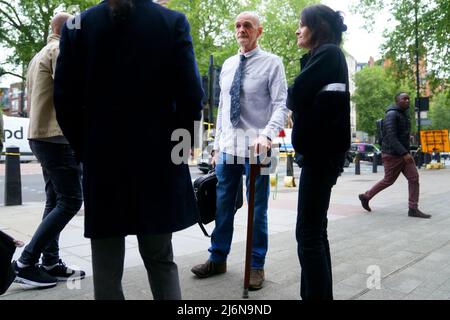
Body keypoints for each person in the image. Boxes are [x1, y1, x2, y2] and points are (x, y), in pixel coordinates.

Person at [54, 0, 204, 300]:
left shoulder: (77, 26)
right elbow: (191, 98)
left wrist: (87, 150)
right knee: (160, 258)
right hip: (159, 161)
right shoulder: (171, 21)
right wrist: (182, 149)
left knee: (107, 266)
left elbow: (65, 102)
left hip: (103, 160)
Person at [191, 11, 288, 291]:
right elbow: (222, 109)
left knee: (258, 210)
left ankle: (256, 265)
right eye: (237, 25)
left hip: (260, 149)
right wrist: (216, 146)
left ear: (259, 31)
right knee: (222, 206)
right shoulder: (229, 64)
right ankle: (217, 258)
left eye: (247, 25)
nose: (241, 29)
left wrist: (267, 136)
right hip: (229, 149)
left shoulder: (272, 63)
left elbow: (281, 104)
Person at [12, 12, 85, 289]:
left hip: (41, 136)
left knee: (55, 200)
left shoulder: (40, 53)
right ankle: (25, 263)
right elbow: (73, 90)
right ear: (67, 29)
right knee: (70, 201)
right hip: (56, 137)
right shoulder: (59, 49)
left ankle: (51, 261)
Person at [287, 4, 351, 300]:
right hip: (322, 156)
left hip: (321, 156)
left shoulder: (329, 54)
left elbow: (295, 93)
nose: (298, 30)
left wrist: (299, 103)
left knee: (308, 234)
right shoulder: (325, 56)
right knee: (315, 231)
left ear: (317, 27)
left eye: (302, 24)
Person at [358, 93, 431, 218]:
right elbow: (391, 136)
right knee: (388, 180)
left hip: (404, 154)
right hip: (392, 154)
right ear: (397, 101)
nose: (407, 101)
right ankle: (366, 196)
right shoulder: (391, 115)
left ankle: (413, 208)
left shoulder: (403, 114)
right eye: (404, 99)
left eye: (408, 99)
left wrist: (406, 152)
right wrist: (404, 153)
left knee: (414, 178)